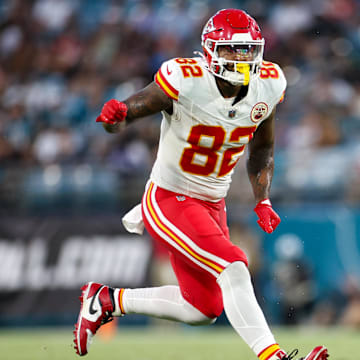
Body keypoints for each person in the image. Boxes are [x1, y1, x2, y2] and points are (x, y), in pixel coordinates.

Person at [73, 9, 329, 360]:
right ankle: (275, 357)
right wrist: (113, 120)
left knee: (203, 308)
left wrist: (263, 200)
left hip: (213, 202)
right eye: (231, 49)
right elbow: (127, 113)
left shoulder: (268, 83)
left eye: (247, 49)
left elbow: (263, 147)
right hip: (170, 197)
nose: (241, 58)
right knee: (234, 267)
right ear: (210, 50)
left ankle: (107, 300)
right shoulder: (185, 79)